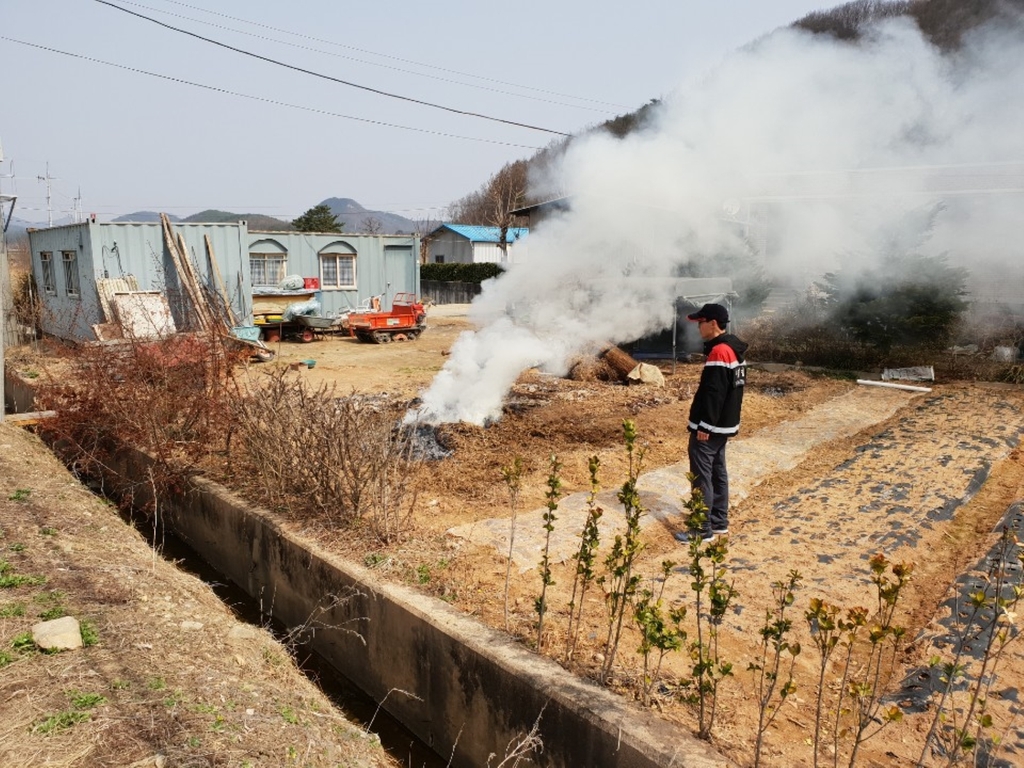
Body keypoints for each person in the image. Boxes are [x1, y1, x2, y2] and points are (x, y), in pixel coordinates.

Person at [675, 302, 747, 543]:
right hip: (724, 425)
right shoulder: (733, 349)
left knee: (701, 476)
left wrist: (704, 425)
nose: (698, 327)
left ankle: (701, 528)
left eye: (701, 322)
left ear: (712, 324)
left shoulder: (719, 352)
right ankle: (718, 522)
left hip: (710, 427)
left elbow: (714, 393)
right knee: (717, 472)